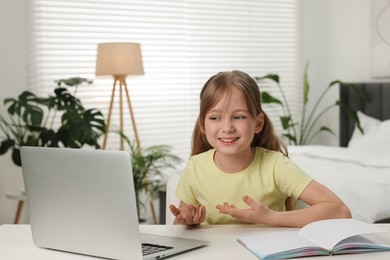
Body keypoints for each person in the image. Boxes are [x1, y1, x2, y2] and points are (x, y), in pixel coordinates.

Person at [169, 70, 351, 227]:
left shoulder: (276, 165)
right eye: (215, 118)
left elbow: (340, 211)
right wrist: (187, 222)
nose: (227, 128)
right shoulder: (195, 167)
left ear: (258, 123)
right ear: (203, 124)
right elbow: (181, 223)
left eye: (238, 117)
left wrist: (270, 217)